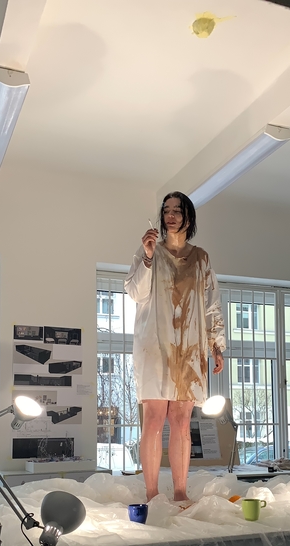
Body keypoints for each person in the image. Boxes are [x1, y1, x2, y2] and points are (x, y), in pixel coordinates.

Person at [124, 191, 225, 505]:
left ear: (188, 217)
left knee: (181, 422)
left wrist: (216, 345)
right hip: (154, 344)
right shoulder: (150, 252)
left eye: (177, 210)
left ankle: (180, 491)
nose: (170, 215)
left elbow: (211, 303)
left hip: (190, 346)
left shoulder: (201, 258)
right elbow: (135, 293)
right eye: (166, 210)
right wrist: (147, 257)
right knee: (154, 417)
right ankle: (151, 493)